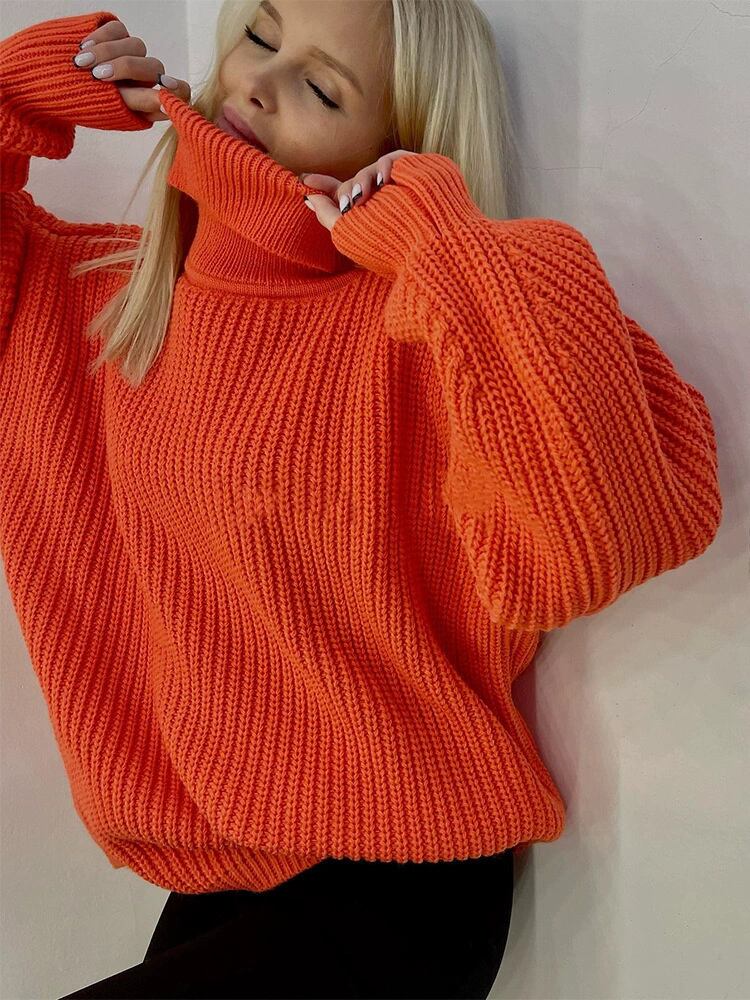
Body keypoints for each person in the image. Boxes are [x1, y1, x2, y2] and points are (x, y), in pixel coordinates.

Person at [0, 1, 722, 997]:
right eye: (261, 35)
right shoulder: (115, 303)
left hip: (407, 879)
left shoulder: (423, 335)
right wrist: (8, 102)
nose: (259, 83)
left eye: (322, 88)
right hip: (227, 869)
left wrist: (446, 247)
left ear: (394, 147)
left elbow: (609, 531)